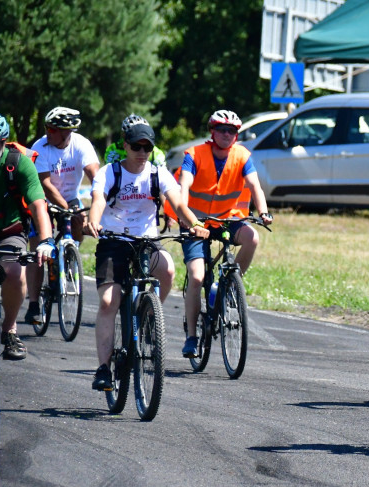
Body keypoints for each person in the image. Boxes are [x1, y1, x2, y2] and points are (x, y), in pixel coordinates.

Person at [85, 120, 202, 391]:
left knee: (168, 269)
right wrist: (94, 220)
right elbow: (99, 200)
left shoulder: (157, 173)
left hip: (146, 242)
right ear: (125, 145)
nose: (141, 152)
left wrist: (195, 224)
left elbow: (178, 202)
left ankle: (149, 316)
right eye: (136, 146)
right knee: (107, 301)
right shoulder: (109, 172)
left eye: (147, 147)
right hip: (114, 241)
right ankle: (103, 368)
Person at [179, 109, 273, 359]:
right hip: (195, 222)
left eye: (231, 131)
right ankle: (191, 336)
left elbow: (255, 186)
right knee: (197, 277)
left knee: (252, 238)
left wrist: (263, 212)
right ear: (212, 131)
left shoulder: (242, 155)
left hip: (227, 219)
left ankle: (230, 284)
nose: (226, 135)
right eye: (221, 129)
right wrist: (186, 216)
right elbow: (184, 185)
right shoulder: (194, 155)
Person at [0, 111, 55, 360]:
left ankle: (9, 330)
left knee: (15, 273)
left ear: (4, 142)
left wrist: (46, 241)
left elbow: (38, 205)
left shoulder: (19, 163)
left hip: (9, 232)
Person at [24, 107, 100, 324]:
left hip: (71, 196)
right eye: (47, 127)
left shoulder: (81, 144)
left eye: (52, 129)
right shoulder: (40, 147)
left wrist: (96, 204)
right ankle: (33, 304)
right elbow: (45, 185)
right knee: (38, 246)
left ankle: (68, 259)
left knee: (78, 223)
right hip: (43, 199)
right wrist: (66, 206)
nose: (47, 131)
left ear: (67, 132)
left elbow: (96, 176)